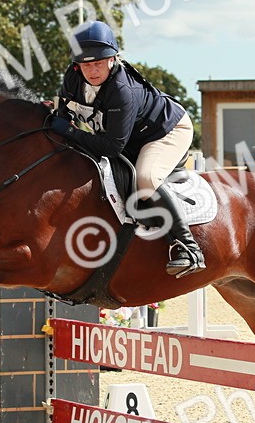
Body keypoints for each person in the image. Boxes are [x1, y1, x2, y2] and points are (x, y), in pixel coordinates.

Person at [49, 20, 205, 276]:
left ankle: (189, 248)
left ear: (112, 59)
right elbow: (64, 113)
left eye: (98, 62)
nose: (92, 70)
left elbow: (110, 146)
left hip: (165, 131)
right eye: (86, 64)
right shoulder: (73, 77)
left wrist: (68, 131)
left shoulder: (122, 90)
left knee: (145, 179)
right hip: (129, 137)